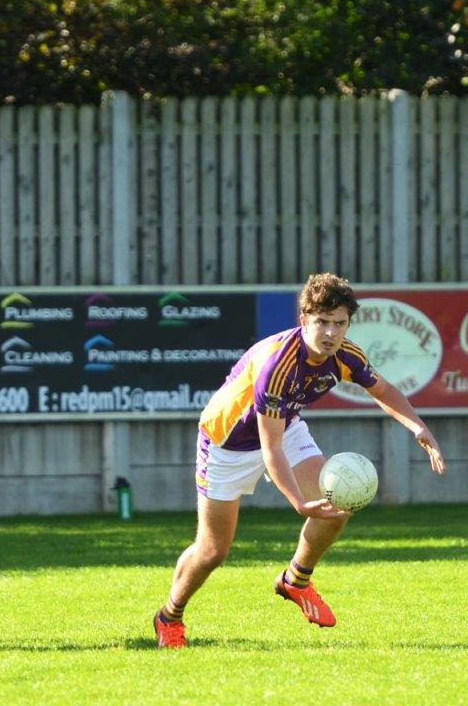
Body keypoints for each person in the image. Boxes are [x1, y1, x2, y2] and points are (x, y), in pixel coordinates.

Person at [153, 272, 447, 648]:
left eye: (339, 323)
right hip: (226, 443)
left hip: (285, 425)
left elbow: (383, 390)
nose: (330, 332)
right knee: (213, 552)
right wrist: (297, 502)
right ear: (304, 320)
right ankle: (169, 616)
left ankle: (296, 579)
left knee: (337, 508)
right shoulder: (278, 366)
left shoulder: (346, 355)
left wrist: (418, 427)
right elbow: (269, 447)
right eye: (322, 322)